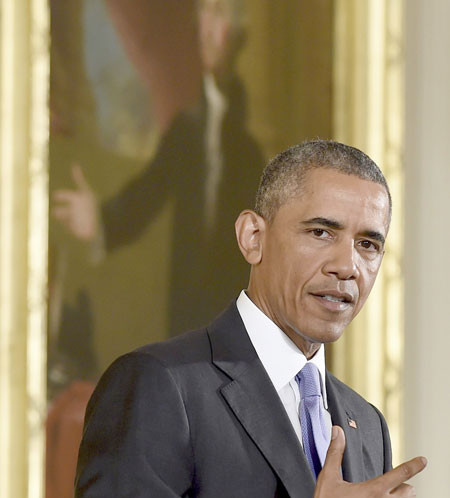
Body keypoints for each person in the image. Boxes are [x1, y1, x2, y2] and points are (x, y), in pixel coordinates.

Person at [75, 140, 426, 497]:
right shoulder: (159, 384)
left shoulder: (367, 423)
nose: (347, 266)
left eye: (367, 244)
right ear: (253, 238)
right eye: (320, 232)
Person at [53, 0, 264, 336]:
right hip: (189, 322)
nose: (206, 28)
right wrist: (101, 221)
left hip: (238, 321)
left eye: (218, 14)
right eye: (203, 14)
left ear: (236, 33)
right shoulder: (187, 130)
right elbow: (147, 194)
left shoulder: (249, 149)